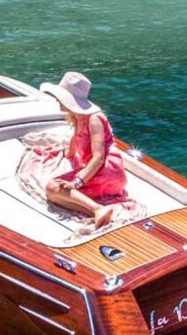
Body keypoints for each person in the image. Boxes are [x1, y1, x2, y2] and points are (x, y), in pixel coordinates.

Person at [40, 71, 127, 228]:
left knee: (52, 187)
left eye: (60, 97)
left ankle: (98, 208)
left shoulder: (94, 119)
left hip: (106, 171)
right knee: (53, 196)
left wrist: (77, 182)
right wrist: (67, 154)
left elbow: (99, 157)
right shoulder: (77, 116)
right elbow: (75, 140)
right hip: (97, 170)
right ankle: (97, 211)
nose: (57, 100)